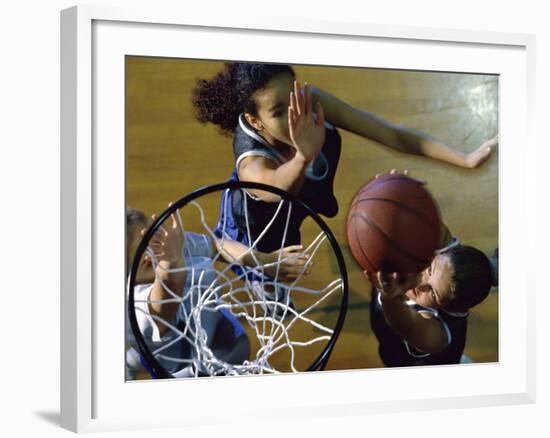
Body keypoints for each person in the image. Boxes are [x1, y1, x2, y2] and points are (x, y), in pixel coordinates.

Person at [192, 63, 498, 255]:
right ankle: (268, 291)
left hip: (304, 192)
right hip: (260, 226)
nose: (296, 114)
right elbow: (276, 186)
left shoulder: (309, 102)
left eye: (295, 96)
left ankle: (315, 196)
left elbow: (390, 134)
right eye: (278, 111)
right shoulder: (252, 165)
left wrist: (465, 159)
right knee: (271, 271)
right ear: (255, 121)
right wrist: (303, 155)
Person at [125, 206, 309, 379]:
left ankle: (130, 361)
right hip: (188, 372)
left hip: (209, 323)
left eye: (154, 240)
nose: (156, 253)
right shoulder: (136, 307)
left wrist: (265, 261)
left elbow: (216, 245)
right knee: (148, 346)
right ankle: (130, 362)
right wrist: (170, 262)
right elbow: (166, 295)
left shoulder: (164, 249)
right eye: (146, 261)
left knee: (142, 351)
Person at [367, 229, 497, 367]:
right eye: (429, 269)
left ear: (449, 308)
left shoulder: (436, 335)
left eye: (434, 294)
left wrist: (390, 296)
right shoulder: (447, 262)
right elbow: (429, 219)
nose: (421, 283)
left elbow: (408, 326)